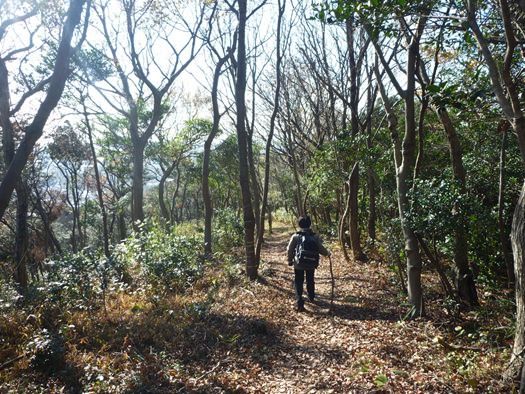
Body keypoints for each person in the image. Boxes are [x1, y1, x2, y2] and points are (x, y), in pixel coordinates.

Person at [286, 216, 330, 312]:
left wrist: (289, 260)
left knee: (298, 281)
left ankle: (299, 301)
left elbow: (289, 249)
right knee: (310, 279)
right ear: (310, 224)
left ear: (299, 224)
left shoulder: (296, 236)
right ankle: (311, 296)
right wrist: (327, 254)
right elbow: (320, 248)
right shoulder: (314, 236)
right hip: (311, 262)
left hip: (299, 263)